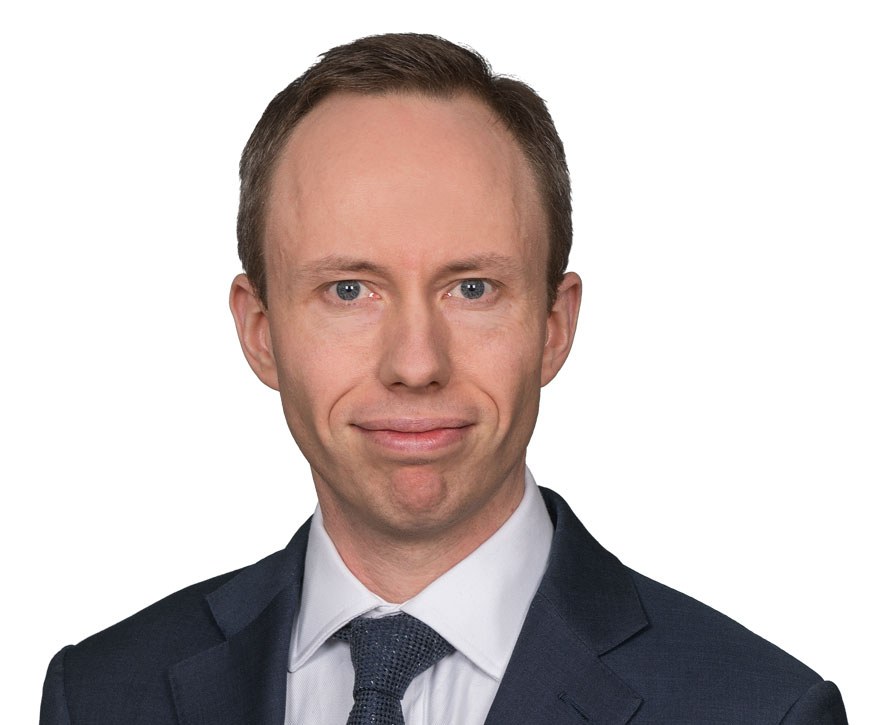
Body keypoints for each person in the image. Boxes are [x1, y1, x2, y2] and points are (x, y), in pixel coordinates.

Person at [40, 33, 847, 725]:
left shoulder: (761, 709)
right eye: (348, 290)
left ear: (554, 326)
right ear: (260, 331)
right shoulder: (102, 693)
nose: (416, 363)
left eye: (472, 288)